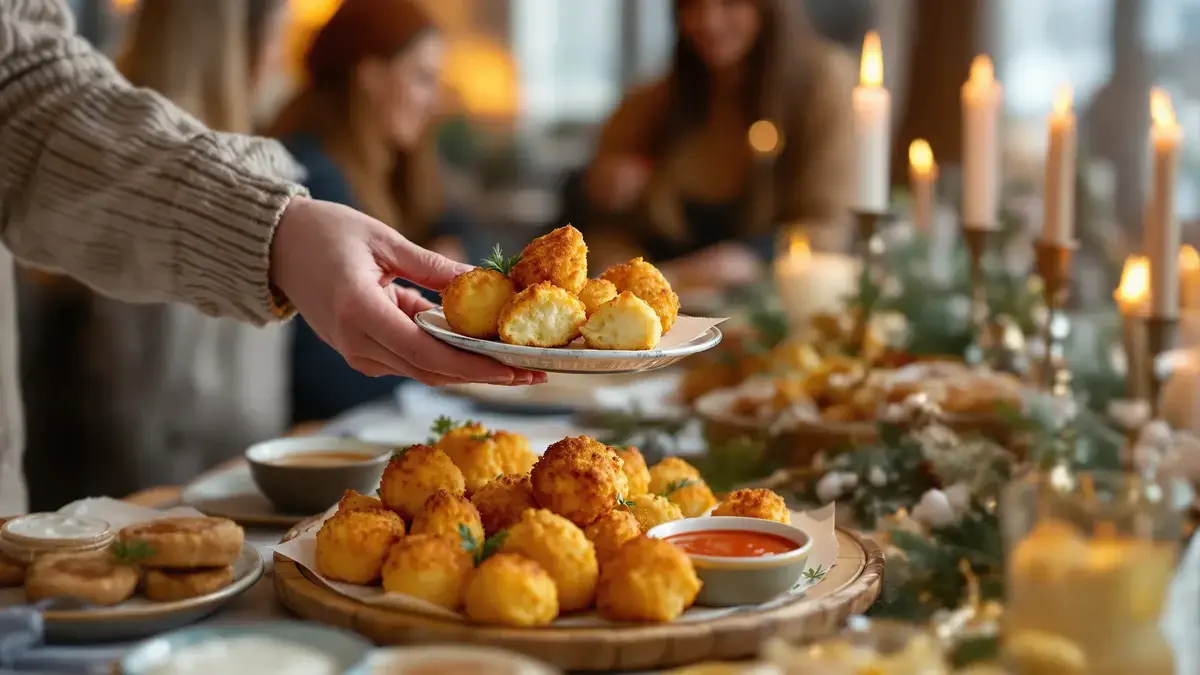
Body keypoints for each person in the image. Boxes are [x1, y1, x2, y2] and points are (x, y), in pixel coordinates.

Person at [0, 0, 541, 516]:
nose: (286, 59)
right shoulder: (307, 167)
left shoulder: (365, 162)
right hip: (186, 483)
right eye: (423, 77)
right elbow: (163, 428)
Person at [21, 0, 297, 509]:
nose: (282, 62)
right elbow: (148, 429)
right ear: (237, 47)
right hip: (147, 506)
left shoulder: (101, 160)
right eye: (280, 39)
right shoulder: (185, 197)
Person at [268, 0, 465, 422]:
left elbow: (461, 225)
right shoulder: (310, 178)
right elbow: (323, 376)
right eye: (423, 79)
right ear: (371, 76)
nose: (434, 102)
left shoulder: (395, 165)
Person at [577, 0, 856, 291]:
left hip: (773, 301)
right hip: (664, 310)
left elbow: (829, 225)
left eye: (730, 4)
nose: (709, 22)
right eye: (692, 6)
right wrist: (621, 261)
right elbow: (602, 231)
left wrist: (754, 258)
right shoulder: (652, 102)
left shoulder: (823, 85)